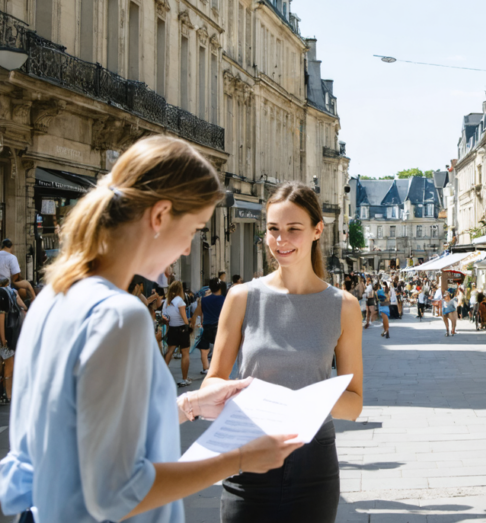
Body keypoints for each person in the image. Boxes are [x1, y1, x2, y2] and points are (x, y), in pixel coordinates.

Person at [0, 136, 300, 523]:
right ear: (159, 216)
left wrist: (188, 406)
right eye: (193, 229)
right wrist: (240, 459)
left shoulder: (52, 299)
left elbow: (59, 441)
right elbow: (117, 492)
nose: (190, 249)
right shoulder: (120, 314)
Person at [203, 182, 364, 523]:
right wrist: (239, 394)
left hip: (314, 461)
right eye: (274, 229)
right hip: (247, 451)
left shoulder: (343, 306)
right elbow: (212, 382)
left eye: (294, 229)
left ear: (317, 230)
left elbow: (354, 403)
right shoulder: (241, 296)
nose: (281, 240)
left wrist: (307, 399)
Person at [0, 277, 26, 404]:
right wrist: (3, 338)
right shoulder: (11, 293)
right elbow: (2, 316)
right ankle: (8, 394)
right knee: (9, 365)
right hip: (7, 335)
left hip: (4, 335)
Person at [161, 281, 192, 386]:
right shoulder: (180, 301)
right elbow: (184, 319)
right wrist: (189, 324)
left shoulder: (167, 302)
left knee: (169, 352)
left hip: (172, 329)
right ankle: (184, 378)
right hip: (182, 329)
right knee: (185, 353)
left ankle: (161, 375)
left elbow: (165, 317)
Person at [193, 277, 226, 375]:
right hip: (219, 328)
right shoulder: (225, 300)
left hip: (206, 327)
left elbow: (196, 314)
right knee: (219, 349)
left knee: (204, 350)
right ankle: (218, 368)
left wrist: (193, 326)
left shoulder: (204, 300)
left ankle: (206, 368)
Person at [0, 239, 35, 305]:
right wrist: (14, 282)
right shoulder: (12, 257)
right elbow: (16, 275)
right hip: (6, 287)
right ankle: (27, 308)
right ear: (11, 247)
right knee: (27, 286)